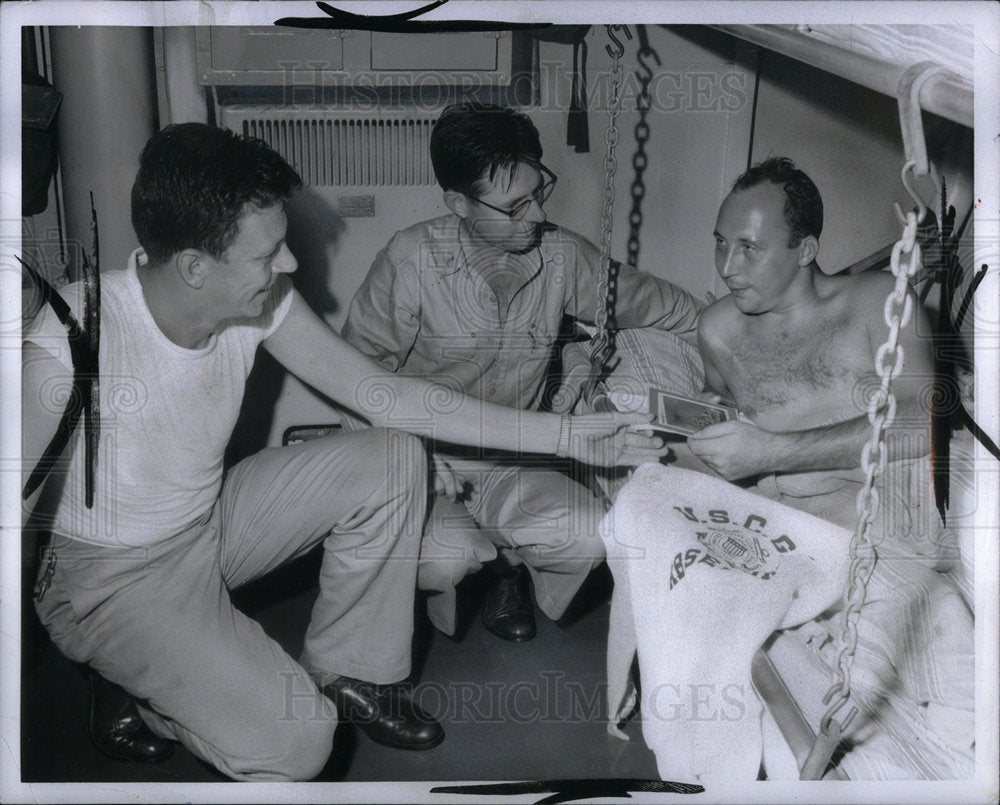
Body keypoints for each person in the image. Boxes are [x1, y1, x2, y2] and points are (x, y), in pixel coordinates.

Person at [20, 122, 670, 782]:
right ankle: (130, 674)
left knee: (390, 453)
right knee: (301, 746)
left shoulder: (259, 298)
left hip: (208, 522)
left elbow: (386, 395)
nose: (290, 266)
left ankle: (350, 672)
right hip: (113, 575)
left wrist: (567, 435)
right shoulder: (65, 345)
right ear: (194, 267)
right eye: (268, 253)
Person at [602, 157, 973, 780]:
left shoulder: (880, 303)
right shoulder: (717, 329)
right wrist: (679, 438)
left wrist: (770, 451)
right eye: (721, 245)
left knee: (955, 675)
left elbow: (920, 427)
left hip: (878, 528)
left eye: (749, 248)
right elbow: (719, 417)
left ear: (805, 250)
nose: (727, 268)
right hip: (782, 525)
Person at [341, 102, 702, 643]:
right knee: (444, 560)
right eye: (514, 207)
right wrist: (404, 459)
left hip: (514, 459)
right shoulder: (410, 261)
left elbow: (660, 304)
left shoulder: (560, 256)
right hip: (428, 464)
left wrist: (730, 338)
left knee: (589, 535)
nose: (535, 216)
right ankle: (469, 568)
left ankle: (506, 570)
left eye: (539, 193)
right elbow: (355, 382)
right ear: (459, 204)